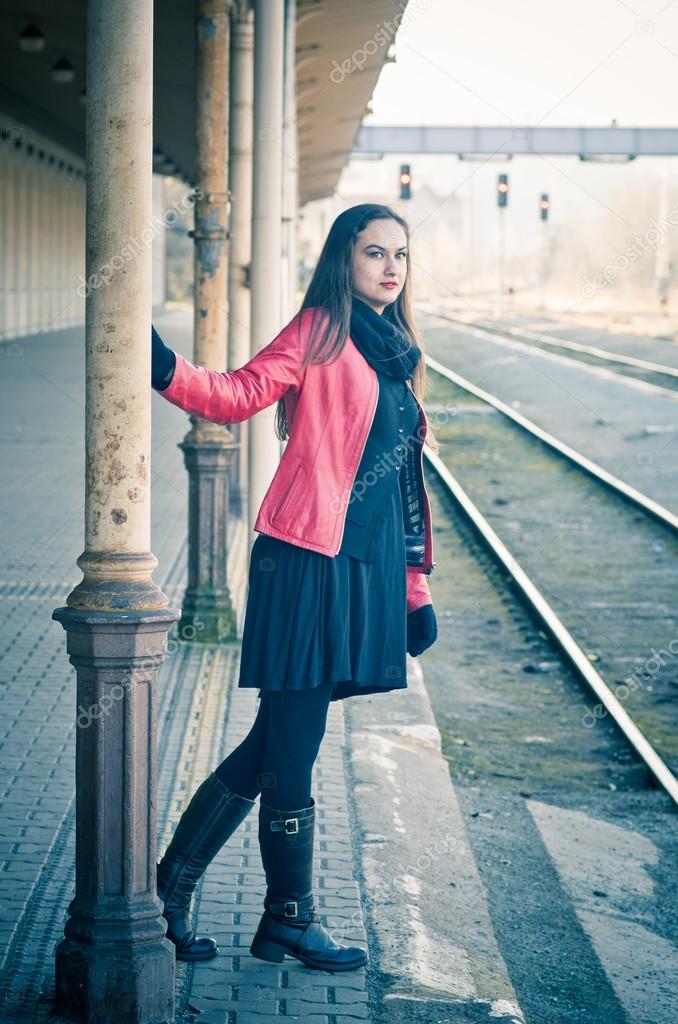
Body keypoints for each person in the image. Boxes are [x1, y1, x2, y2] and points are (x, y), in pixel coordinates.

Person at [151, 203, 438, 972]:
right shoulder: (319, 332)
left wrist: (414, 590)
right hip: (307, 565)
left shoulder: (399, 354)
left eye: (400, 255)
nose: (389, 266)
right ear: (344, 259)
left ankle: (177, 895)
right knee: (294, 745)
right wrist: (163, 367)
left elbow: (408, 484)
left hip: (367, 574)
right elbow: (238, 394)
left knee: (278, 741)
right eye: (373, 252)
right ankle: (283, 918)